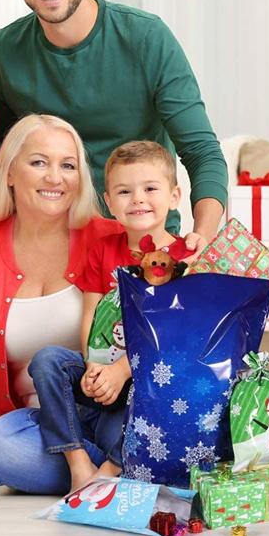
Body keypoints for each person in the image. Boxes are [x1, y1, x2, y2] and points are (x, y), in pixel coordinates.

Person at [0, 0, 227, 253]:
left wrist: (202, 237)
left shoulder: (146, 38)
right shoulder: (5, 52)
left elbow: (202, 151)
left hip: (139, 246)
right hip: (48, 247)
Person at [0, 114, 121, 495]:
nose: (54, 178)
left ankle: (106, 466)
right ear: (9, 172)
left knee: (135, 423)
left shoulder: (111, 237)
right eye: (39, 162)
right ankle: (123, 467)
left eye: (68, 165)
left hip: (113, 409)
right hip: (39, 423)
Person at [29, 140, 190, 492]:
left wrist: (122, 371)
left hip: (145, 382)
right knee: (47, 360)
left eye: (150, 188)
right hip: (100, 373)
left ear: (175, 196)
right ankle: (77, 461)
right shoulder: (104, 251)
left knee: (173, 380)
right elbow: (90, 314)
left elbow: (171, 340)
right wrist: (91, 365)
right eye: (124, 191)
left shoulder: (181, 262)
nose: (138, 199)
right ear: (109, 202)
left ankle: (112, 466)